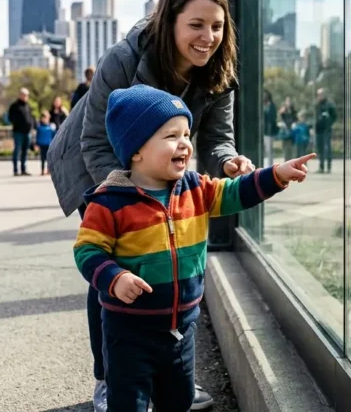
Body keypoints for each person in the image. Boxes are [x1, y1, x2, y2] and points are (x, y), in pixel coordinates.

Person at [48, 0, 254, 412]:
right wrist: (125, 195)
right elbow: (95, 141)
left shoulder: (219, 71)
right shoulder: (124, 59)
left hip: (158, 169)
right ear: (170, 21)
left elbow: (218, 140)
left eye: (216, 26)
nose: (208, 37)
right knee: (113, 263)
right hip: (98, 165)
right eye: (196, 25)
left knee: (163, 263)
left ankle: (171, 380)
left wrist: (230, 162)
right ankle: (110, 379)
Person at [74, 85, 314, 412]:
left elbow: (235, 192)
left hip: (181, 330)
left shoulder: (195, 188)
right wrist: (114, 278)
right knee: (128, 403)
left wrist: (276, 175)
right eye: (171, 135)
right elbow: (88, 251)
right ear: (136, 150)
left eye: (186, 133)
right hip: (128, 333)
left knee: (179, 400)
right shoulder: (109, 201)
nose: (185, 143)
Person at [7, 88, 34, 177]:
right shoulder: (14, 106)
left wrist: (32, 126)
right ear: (20, 95)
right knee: (17, 151)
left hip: (27, 132)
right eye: (24, 95)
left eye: (27, 95)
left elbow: (31, 117)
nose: (25, 97)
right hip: (18, 132)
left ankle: (23, 169)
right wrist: (18, 123)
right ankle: (15, 170)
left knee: (25, 152)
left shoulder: (28, 106)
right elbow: (10, 118)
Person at [314, 88, 337, 174]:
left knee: (327, 148)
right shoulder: (317, 105)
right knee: (320, 149)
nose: (319, 96)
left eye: (321, 94)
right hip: (318, 129)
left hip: (326, 129)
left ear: (324, 95)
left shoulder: (329, 104)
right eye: (318, 94)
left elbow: (335, 116)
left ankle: (329, 167)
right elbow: (315, 116)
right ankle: (321, 167)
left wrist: (329, 122)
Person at [278, 96, 298, 160]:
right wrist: (281, 112)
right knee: (286, 152)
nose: (288, 103)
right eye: (287, 101)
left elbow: (296, 120)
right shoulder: (283, 111)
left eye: (290, 101)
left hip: (292, 134)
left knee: (292, 152)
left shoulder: (294, 111)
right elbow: (279, 119)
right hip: (285, 134)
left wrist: (294, 123)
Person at [262, 90, 278, 167]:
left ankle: (269, 166)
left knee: (269, 150)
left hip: (269, 131)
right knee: (264, 150)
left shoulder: (272, 105)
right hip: (262, 130)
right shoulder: (261, 105)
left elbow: (273, 117)